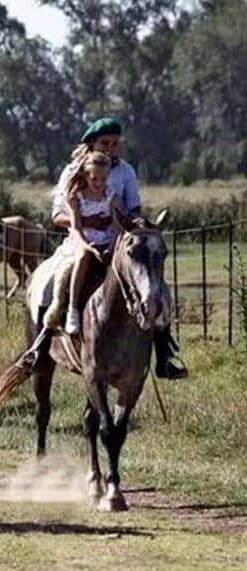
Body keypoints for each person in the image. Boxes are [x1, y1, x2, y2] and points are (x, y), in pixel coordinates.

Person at [50, 117, 185, 379]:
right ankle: (45, 335)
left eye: (114, 143)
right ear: (92, 144)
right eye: (105, 143)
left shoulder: (126, 171)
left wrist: (127, 222)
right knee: (55, 280)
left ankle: (163, 353)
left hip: (119, 239)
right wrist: (87, 221)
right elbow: (56, 215)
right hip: (80, 240)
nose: (111, 148)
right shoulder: (71, 171)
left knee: (155, 286)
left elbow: (133, 207)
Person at [61, 152, 120, 335]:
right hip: (84, 241)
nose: (99, 183)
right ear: (86, 175)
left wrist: (111, 247)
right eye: (95, 178)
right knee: (83, 258)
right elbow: (76, 228)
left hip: (108, 240)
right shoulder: (76, 198)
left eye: (103, 179)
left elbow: (117, 227)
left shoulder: (112, 197)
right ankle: (72, 308)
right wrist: (89, 247)